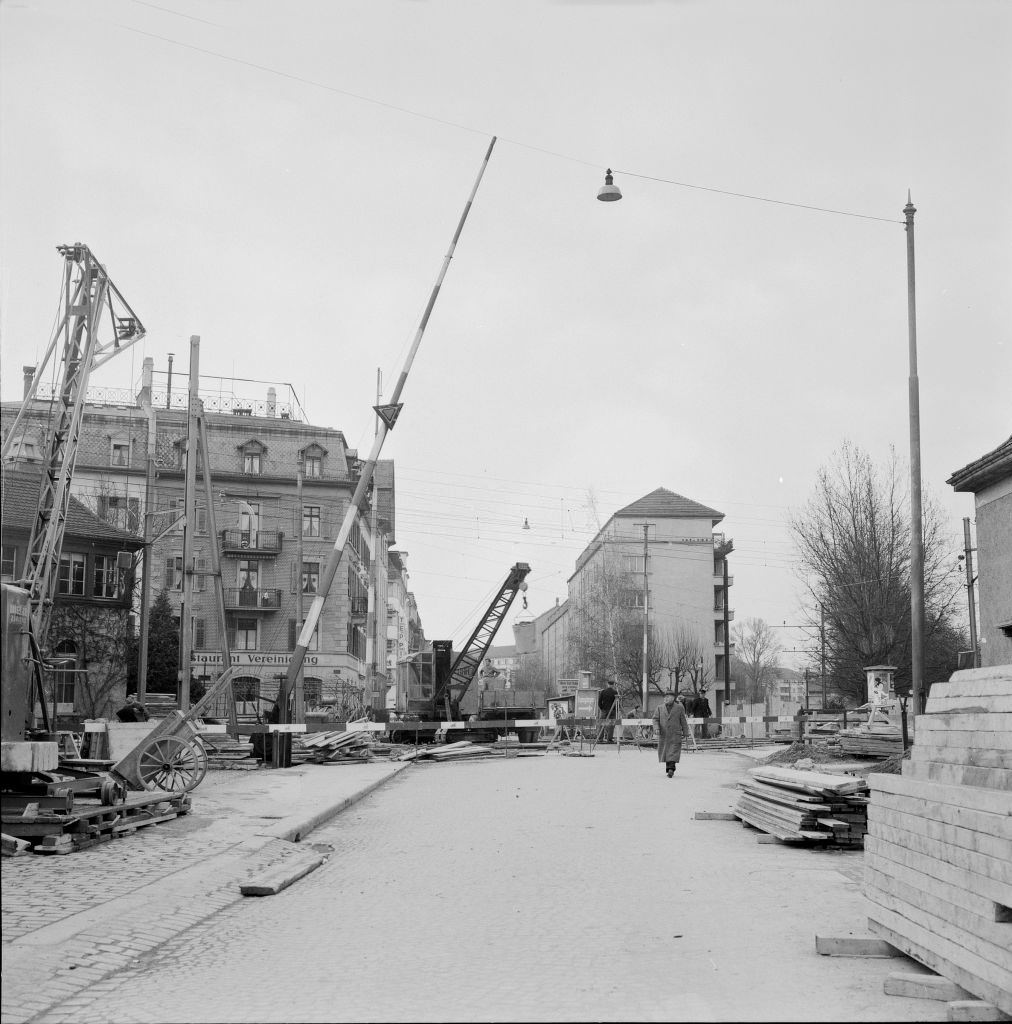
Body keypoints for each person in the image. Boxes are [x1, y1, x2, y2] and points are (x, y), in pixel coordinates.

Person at [653, 690, 690, 778]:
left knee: (673, 752)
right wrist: (657, 728)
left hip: (675, 734)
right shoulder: (659, 708)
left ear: (673, 698)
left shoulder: (679, 708)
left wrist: (685, 732)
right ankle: (669, 768)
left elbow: (683, 720)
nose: (665, 698)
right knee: (666, 752)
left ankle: (671, 769)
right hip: (664, 734)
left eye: (668, 697)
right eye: (665, 697)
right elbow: (655, 719)